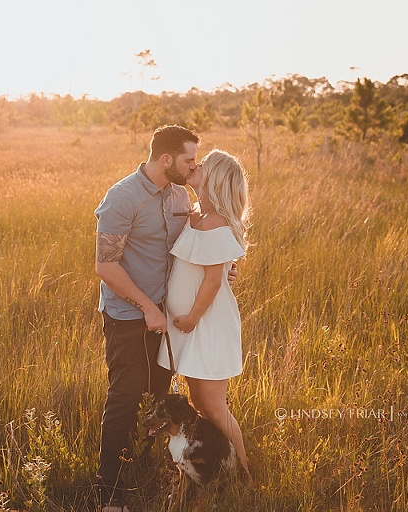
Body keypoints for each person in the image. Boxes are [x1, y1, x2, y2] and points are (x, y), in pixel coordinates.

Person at [93, 125, 201, 512]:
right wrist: (147, 307)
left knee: (157, 398)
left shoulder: (179, 194)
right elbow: (106, 265)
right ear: (166, 159)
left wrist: (223, 269)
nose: (194, 166)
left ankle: (141, 472)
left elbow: (186, 247)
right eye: (189, 159)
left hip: (165, 316)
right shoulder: (122, 197)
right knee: (124, 398)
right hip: (128, 316)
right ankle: (110, 494)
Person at [157, 148, 254, 486]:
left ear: (215, 181)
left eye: (204, 165)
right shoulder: (196, 212)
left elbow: (214, 279)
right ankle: (213, 467)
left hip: (207, 325)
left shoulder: (215, 221)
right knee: (198, 401)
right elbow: (209, 267)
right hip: (191, 326)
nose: (196, 166)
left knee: (213, 407)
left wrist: (192, 318)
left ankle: (244, 477)